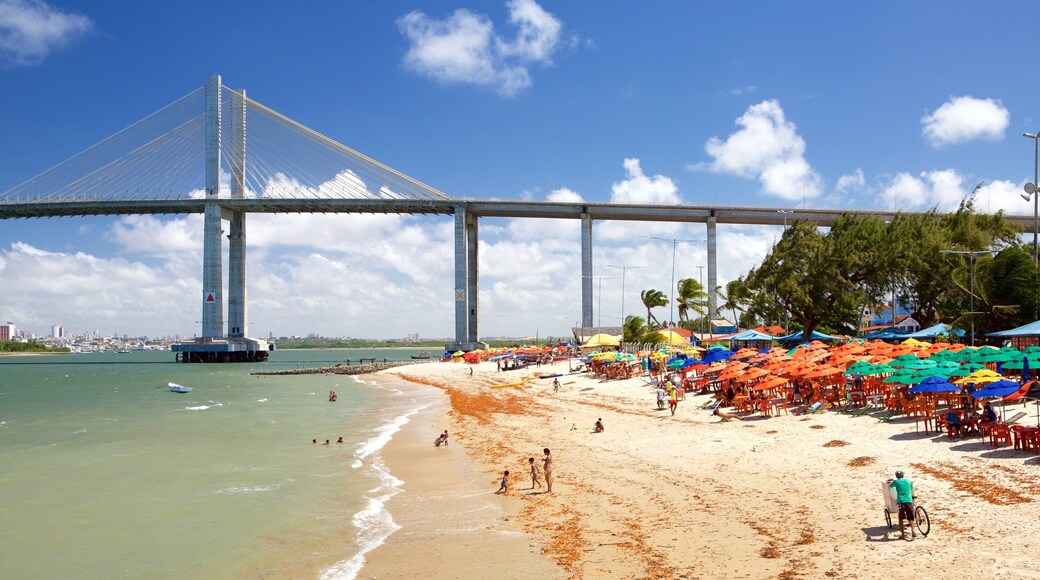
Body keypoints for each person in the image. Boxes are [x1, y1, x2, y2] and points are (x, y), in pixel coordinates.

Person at [888, 470, 917, 539]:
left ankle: (903, 535)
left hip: (900, 501)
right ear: (903, 475)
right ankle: (913, 530)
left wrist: (894, 481)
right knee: (910, 517)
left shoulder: (895, 482)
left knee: (900, 518)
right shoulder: (908, 481)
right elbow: (912, 489)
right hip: (908, 501)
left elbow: (890, 486)